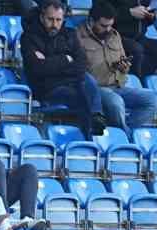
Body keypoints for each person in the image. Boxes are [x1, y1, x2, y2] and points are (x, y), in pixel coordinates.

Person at [21, 0, 118, 136]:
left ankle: (96, 119)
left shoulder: (70, 34)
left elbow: (82, 63)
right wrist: (66, 59)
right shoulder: (28, 37)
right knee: (82, 96)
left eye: (58, 20)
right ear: (42, 17)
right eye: (50, 19)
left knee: (87, 78)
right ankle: (90, 134)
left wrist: (50, 63)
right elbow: (37, 69)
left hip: (71, 82)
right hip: (47, 89)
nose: (54, 24)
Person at [79, 3, 157, 129]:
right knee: (116, 102)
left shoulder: (115, 36)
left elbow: (122, 67)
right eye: (103, 26)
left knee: (153, 101)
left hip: (116, 87)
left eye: (111, 25)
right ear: (91, 21)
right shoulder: (77, 37)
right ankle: (125, 136)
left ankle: (124, 132)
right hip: (94, 90)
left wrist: (124, 68)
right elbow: (77, 72)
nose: (108, 29)